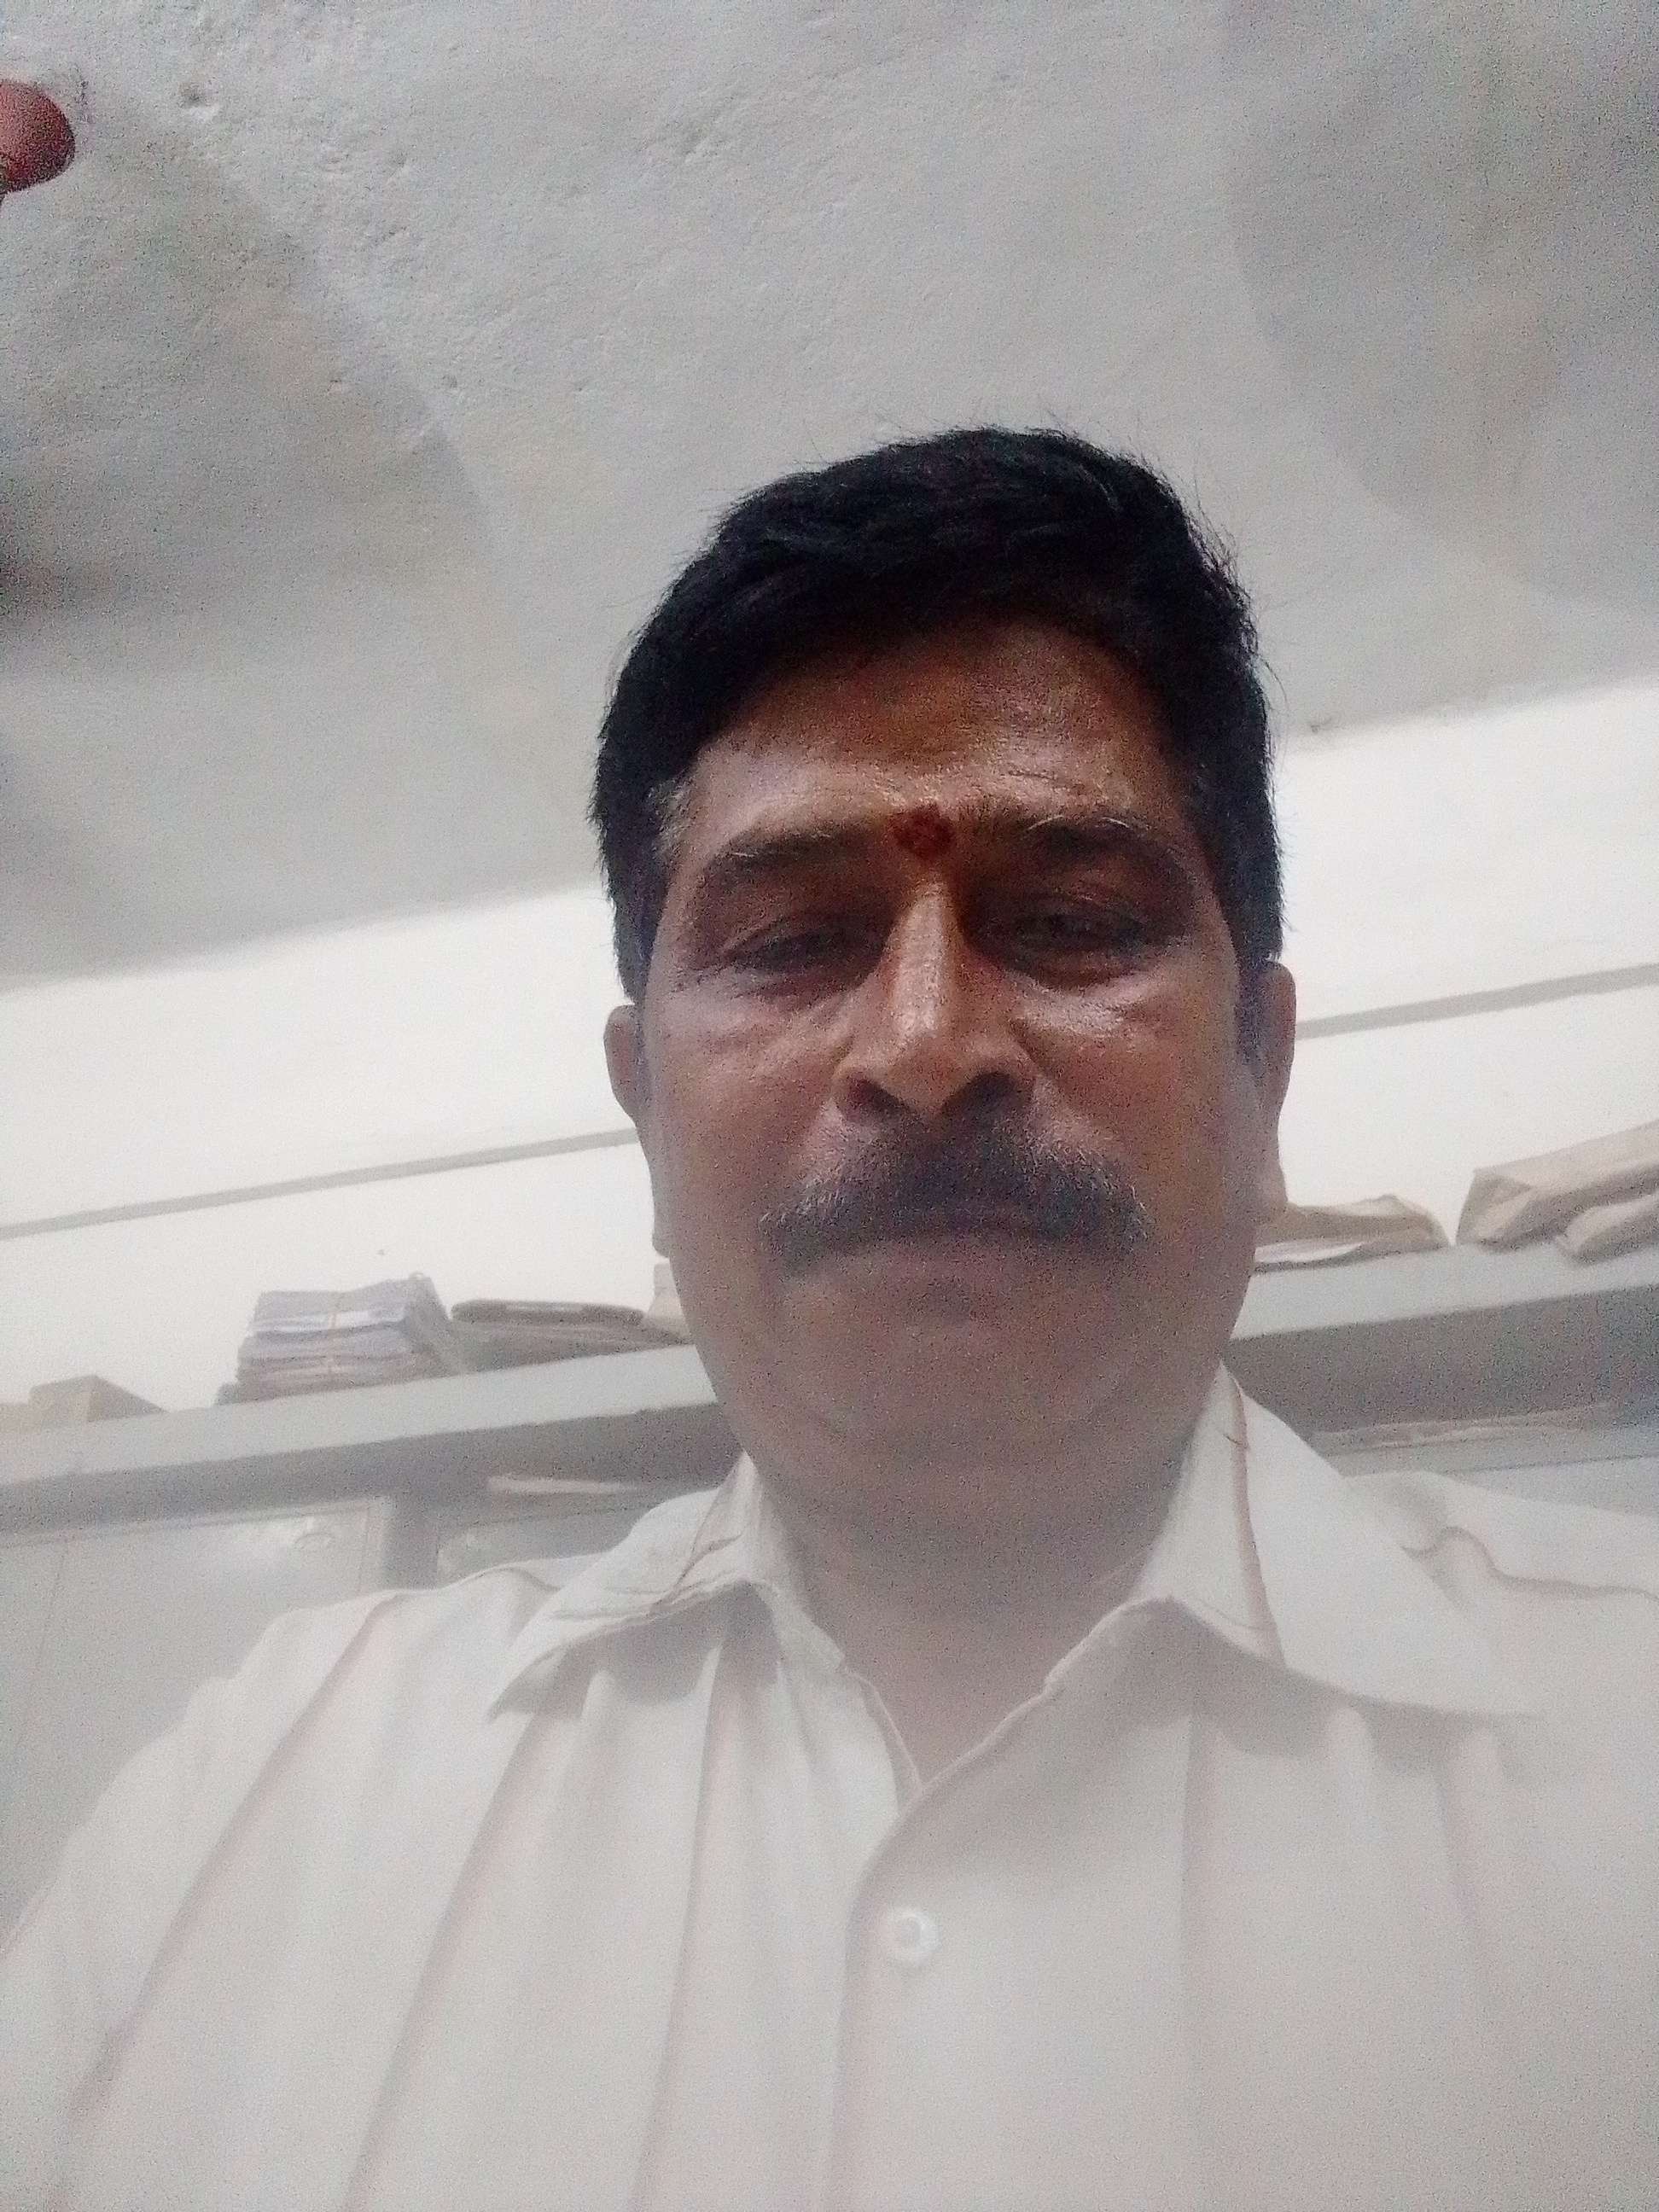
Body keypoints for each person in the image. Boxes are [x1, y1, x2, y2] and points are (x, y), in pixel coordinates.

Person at [3, 429, 1656, 2212]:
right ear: (645, 1105)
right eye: (793, 943)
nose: (928, 1047)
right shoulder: (268, 1792)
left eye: (1071, 920)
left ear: (1262, 1068)